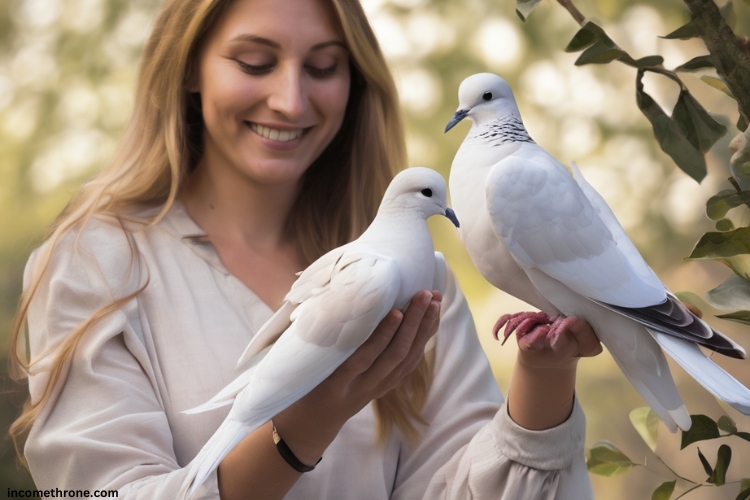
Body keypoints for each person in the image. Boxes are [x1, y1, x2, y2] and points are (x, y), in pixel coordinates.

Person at [9, 0, 602, 498]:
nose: (291, 101)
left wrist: (545, 370)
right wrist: (302, 426)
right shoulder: (96, 264)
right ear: (190, 68)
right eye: (254, 62)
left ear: (353, 83)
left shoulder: (420, 281)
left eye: (322, 67)